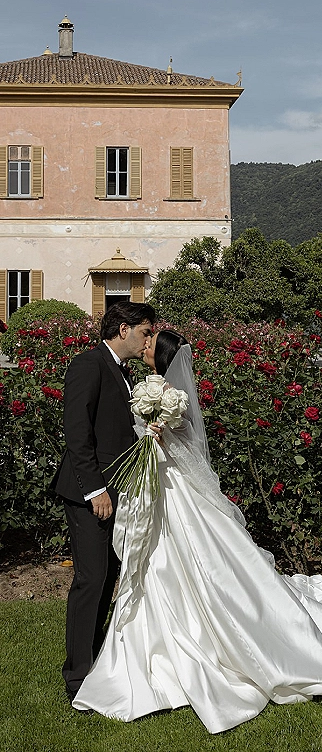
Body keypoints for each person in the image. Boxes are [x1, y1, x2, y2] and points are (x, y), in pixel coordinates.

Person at [72, 330, 322, 733]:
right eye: (144, 338)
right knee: (161, 568)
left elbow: (179, 446)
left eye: (149, 343)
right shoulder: (149, 385)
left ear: (159, 356)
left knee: (193, 566)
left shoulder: (166, 393)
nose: (144, 347)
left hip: (176, 493)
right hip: (161, 492)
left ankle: (210, 645)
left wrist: (153, 434)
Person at [51, 301, 156, 703]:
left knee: (107, 579)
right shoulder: (89, 364)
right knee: (90, 581)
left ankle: (94, 661)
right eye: (146, 330)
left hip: (117, 494)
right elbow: (77, 432)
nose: (148, 338)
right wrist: (95, 490)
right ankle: (77, 676)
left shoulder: (122, 371)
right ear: (123, 328)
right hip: (88, 495)